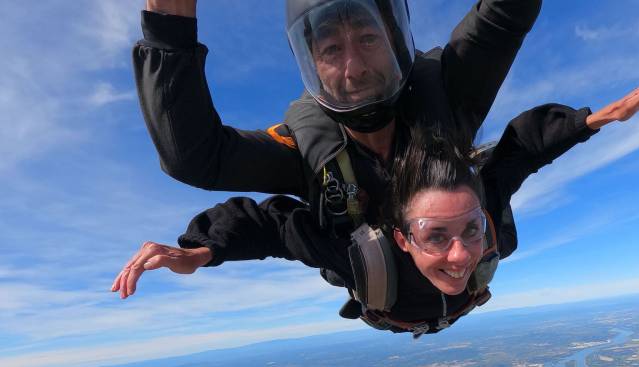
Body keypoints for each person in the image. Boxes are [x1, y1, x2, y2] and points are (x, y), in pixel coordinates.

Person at [113, 80, 639, 335]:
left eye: (469, 230)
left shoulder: (482, 212)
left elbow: (522, 150)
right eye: (436, 236)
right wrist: (202, 249)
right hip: (386, 300)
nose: (461, 254)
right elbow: (274, 226)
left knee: (490, 182)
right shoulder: (358, 257)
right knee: (338, 210)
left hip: (417, 306)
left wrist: (608, 114)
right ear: (402, 238)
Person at [134, 0, 543, 239]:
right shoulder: (305, 150)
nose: (355, 68)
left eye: (368, 38)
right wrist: (169, 24)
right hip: (386, 301)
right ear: (311, 64)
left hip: (464, 270)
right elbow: (195, 157)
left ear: (395, 42)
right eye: (331, 49)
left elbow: (504, 17)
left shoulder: (448, 91)